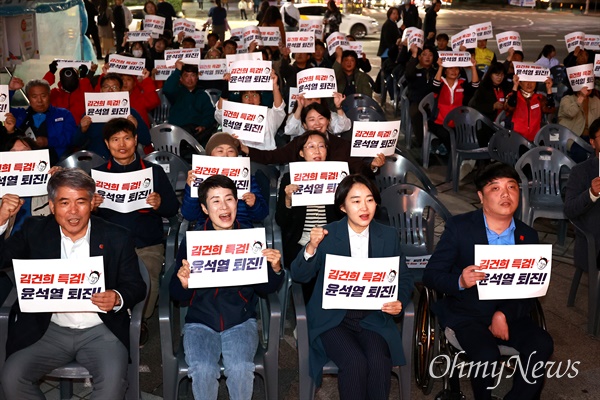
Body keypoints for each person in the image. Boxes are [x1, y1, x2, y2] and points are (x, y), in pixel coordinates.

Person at [0, 168, 147, 399]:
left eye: (80, 202)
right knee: (12, 378)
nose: (73, 211)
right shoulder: (35, 230)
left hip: (101, 330)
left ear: (91, 203)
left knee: (111, 388)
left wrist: (117, 297)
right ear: (51, 205)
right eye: (64, 202)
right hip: (48, 329)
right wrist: (0, 221)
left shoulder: (117, 236)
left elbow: (136, 285)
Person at [423, 162, 554, 400]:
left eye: (511, 187)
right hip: (467, 313)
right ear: (481, 197)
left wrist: (503, 314)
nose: (505, 194)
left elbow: (531, 289)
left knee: (542, 344)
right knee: (486, 355)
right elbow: (431, 275)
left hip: (510, 314)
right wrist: (460, 280)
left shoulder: (528, 235)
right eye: (495, 188)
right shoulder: (459, 228)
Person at [290, 174, 413, 398]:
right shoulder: (327, 234)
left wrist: (400, 301)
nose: (364, 207)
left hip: (372, 316)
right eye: (355, 201)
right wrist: (311, 247)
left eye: (370, 200)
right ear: (343, 207)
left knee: (378, 362)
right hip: (333, 318)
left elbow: (403, 277)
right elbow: (299, 276)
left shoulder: (387, 235)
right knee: (355, 362)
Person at [170, 174, 284, 400]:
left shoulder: (250, 239)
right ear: (204, 208)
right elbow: (175, 292)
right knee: (203, 369)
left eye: (229, 199)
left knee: (241, 368)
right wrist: (183, 283)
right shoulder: (194, 240)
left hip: (240, 321)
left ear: (237, 202)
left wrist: (276, 268)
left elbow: (266, 289)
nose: (224, 206)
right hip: (200, 322)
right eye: (215, 201)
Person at [93, 118, 179, 344]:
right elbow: (86, 220)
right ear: (107, 143)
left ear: (136, 140)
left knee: (147, 274)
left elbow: (173, 210)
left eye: (127, 138)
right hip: (108, 244)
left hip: (146, 243)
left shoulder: (154, 172)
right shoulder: (98, 175)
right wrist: (92, 207)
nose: (122, 144)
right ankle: (112, 318)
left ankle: (139, 320)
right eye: (115, 139)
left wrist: (160, 203)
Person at [241, 102, 383, 176]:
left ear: (328, 121)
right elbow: (271, 156)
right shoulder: (298, 144)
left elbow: (358, 168)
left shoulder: (342, 145)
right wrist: (244, 148)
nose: (317, 123)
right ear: (304, 125)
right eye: (311, 119)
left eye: (321, 118)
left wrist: (373, 166)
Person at [181, 132, 269, 226]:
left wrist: (254, 204)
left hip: (241, 228)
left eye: (231, 151)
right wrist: (191, 189)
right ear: (210, 154)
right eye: (220, 151)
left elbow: (261, 215)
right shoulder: (198, 178)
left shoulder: (247, 178)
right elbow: (189, 215)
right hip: (208, 228)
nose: (226, 155)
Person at [75, 73, 152, 159]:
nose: (110, 90)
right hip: (96, 162)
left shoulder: (130, 113)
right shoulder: (90, 114)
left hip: (124, 162)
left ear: (120, 90)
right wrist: (82, 130)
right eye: (106, 87)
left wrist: (136, 127)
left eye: (114, 87)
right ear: (101, 90)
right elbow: (77, 143)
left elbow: (147, 140)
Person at [564, 117, 600, 290]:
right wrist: (591, 194)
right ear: (592, 142)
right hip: (595, 240)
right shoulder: (581, 171)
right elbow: (569, 210)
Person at [4, 78, 77, 162]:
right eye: (34, 97)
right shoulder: (20, 115)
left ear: (49, 95)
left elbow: (73, 139)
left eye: (43, 96)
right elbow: (2, 109)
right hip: (25, 163)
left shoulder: (64, 114)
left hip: (58, 163)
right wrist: (10, 90)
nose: (39, 101)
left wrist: (48, 141)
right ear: (28, 98)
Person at [215, 71, 285, 151]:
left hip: (265, 157)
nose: (250, 99)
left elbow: (279, 109)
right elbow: (220, 114)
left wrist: (275, 86)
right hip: (240, 156)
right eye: (246, 96)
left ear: (260, 99)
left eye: (254, 95)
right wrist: (225, 87)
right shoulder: (234, 113)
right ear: (241, 100)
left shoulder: (269, 114)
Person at [162, 60, 216, 143]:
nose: (189, 79)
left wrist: (203, 126)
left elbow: (209, 114)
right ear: (181, 78)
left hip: (197, 133)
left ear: (197, 77)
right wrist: (177, 71)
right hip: (177, 131)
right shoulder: (176, 92)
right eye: (186, 76)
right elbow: (167, 89)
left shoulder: (203, 94)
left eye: (193, 75)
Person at [405, 44, 438, 147]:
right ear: (419, 57)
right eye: (424, 55)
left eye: (430, 55)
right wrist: (414, 54)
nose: (427, 57)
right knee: (416, 114)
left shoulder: (436, 71)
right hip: (417, 101)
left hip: (434, 103)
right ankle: (424, 145)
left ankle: (437, 142)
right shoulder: (414, 70)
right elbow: (408, 74)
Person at [504, 75, 555, 142]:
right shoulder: (512, 96)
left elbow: (550, 109)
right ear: (520, 82)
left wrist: (549, 90)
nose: (529, 84)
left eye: (532, 81)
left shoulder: (540, 98)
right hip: (515, 140)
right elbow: (509, 107)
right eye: (526, 81)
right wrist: (515, 86)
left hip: (535, 140)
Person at [43, 61, 95, 126]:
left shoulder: (84, 90)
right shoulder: (55, 93)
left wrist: (85, 77)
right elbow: (40, 91)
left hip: (81, 131)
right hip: (60, 132)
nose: (69, 80)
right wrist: (51, 73)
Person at [558, 87, 600, 163]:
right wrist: (581, 97)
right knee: (580, 153)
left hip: (591, 137)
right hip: (572, 138)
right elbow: (571, 113)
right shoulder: (567, 99)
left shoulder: (595, 100)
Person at [284, 93, 351, 138]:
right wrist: (299, 107)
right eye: (309, 99)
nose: (313, 102)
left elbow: (345, 127)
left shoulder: (328, 114)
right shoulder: (295, 116)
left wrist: (338, 107)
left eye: (317, 99)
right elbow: (289, 130)